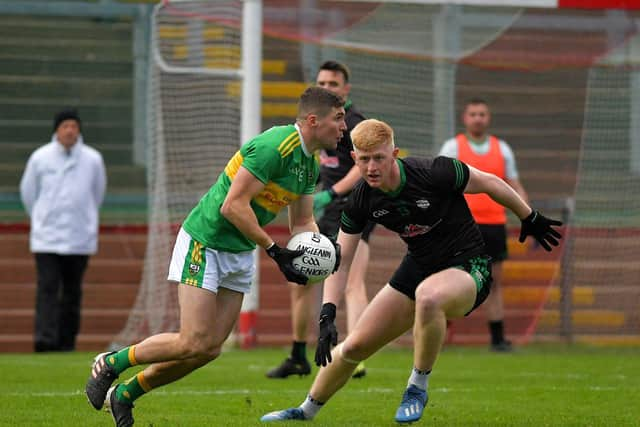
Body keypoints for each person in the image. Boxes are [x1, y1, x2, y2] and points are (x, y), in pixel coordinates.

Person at [260, 119, 562, 424]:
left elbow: (490, 183)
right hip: (418, 267)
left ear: (395, 153)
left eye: (379, 157)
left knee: (428, 297)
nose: (372, 167)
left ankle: (417, 387)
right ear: (354, 159)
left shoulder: (435, 172)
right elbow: (341, 259)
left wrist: (529, 216)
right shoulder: (361, 199)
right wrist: (327, 312)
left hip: (469, 266)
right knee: (354, 346)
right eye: (364, 159)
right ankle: (304, 412)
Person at [84, 87, 345, 427]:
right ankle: (112, 362)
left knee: (207, 350)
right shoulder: (274, 148)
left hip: (238, 251)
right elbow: (232, 206)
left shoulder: (309, 164)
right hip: (206, 240)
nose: (343, 127)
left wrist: (321, 246)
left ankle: (125, 394)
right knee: (191, 339)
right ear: (313, 120)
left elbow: (302, 221)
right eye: (338, 119)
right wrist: (274, 251)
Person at [267, 60, 374, 379]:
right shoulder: (319, 126)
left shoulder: (354, 122)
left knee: (352, 282)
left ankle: (356, 352)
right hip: (323, 208)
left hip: (353, 205)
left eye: (333, 84)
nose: (327, 88)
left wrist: (332, 193)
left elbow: (363, 166)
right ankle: (298, 354)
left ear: (346, 89)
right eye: (322, 84)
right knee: (301, 279)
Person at [439, 98, 528, 352]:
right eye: (473, 114)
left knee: (494, 283)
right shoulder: (452, 147)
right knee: (451, 280)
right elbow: (438, 183)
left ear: (488, 118)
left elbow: (514, 185)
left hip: (494, 226)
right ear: (465, 118)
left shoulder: (503, 149)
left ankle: (497, 339)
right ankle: (440, 331)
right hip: (460, 227)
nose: (477, 118)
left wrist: (528, 216)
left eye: (482, 114)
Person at [19, 108, 106, 353]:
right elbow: (28, 193)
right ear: (56, 129)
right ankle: (44, 340)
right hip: (47, 237)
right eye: (65, 126)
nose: (70, 130)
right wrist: (41, 218)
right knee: (47, 288)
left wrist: (85, 217)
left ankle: (67, 342)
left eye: (74, 126)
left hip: (80, 237)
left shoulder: (93, 159)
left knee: (72, 292)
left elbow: (97, 193)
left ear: (79, 130)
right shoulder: (40, 158)